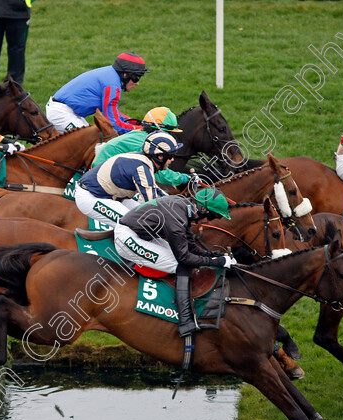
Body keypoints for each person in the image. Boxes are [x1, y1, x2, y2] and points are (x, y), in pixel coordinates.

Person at [115, 188, 237, 336]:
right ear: (203, 208)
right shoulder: (177, 219)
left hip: (142, 234)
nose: (209, 221)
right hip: (128, 238)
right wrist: (217, 262)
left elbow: (191, 247)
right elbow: (184, 258)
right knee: (182, 266)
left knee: (183, 261)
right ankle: (185, 322)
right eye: (212, 216)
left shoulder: (183, 207)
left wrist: (214, 255)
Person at [74, 130, 176, 227]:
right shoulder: (142, 167)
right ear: (160, 156)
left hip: (108, 194)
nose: (173, 159)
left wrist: (178, 202)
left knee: (141, 218)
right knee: (134, 225)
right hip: (92, 197)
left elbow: (156, 191)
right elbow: (152, 203)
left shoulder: (144, 161)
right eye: (171, 156)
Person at [46, 52, 149, 134]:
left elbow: (113, 114)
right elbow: (114, 124)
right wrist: (141, 130)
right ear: (125, 75)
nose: (137, 83)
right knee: (93, 142)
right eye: (136, 78)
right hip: (61, 114)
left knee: (97, 138)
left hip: (66, 111)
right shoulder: (112, 86)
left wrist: (140, 123)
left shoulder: (111, 76)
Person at [92, 106, 189, 186]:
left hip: (108, 171)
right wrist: (185, 178)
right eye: (168, 133)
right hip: (103, 178)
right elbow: (160, 174)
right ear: (158, 130)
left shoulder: (141, 135)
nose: (168, 137)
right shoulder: (146, 144)